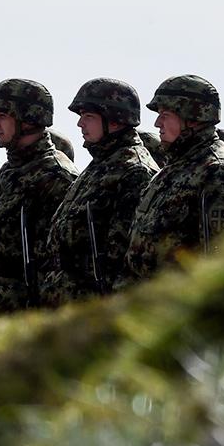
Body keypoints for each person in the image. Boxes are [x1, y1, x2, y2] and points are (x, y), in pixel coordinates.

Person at [0, 79, 76, 317]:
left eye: (2, 115)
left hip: (19, 313)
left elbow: (54, 261)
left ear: (28, 119)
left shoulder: (54, 176)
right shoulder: (9, 171)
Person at [40, 79, 159, 305]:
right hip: (67, 301)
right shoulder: (101, 165)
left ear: (114, 120)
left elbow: (123, 256)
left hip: (94, 305)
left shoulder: (133, 170)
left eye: (89, 117)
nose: (80, 124)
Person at [123, 75, 224, 284]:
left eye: (165, 114)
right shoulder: (175, 167)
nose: (157, 123)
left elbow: (218, 254)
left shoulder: (218, 170)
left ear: (192, 116)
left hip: (180, 299)